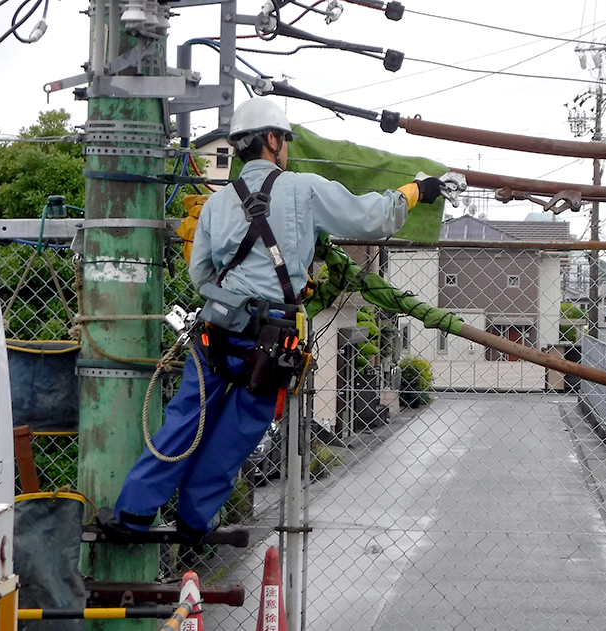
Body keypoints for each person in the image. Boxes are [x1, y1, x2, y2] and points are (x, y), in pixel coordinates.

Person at [98, 98, 445, 543]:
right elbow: (370, 217)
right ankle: (193, 519)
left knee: (185, 419)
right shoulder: (303, 188)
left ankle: (133, 513)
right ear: (274, 140)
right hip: (272, 340)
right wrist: (416, 191)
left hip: (217, 331)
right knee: (237, 432)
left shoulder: (216, 203)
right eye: (284, 142)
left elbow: (201, 274)